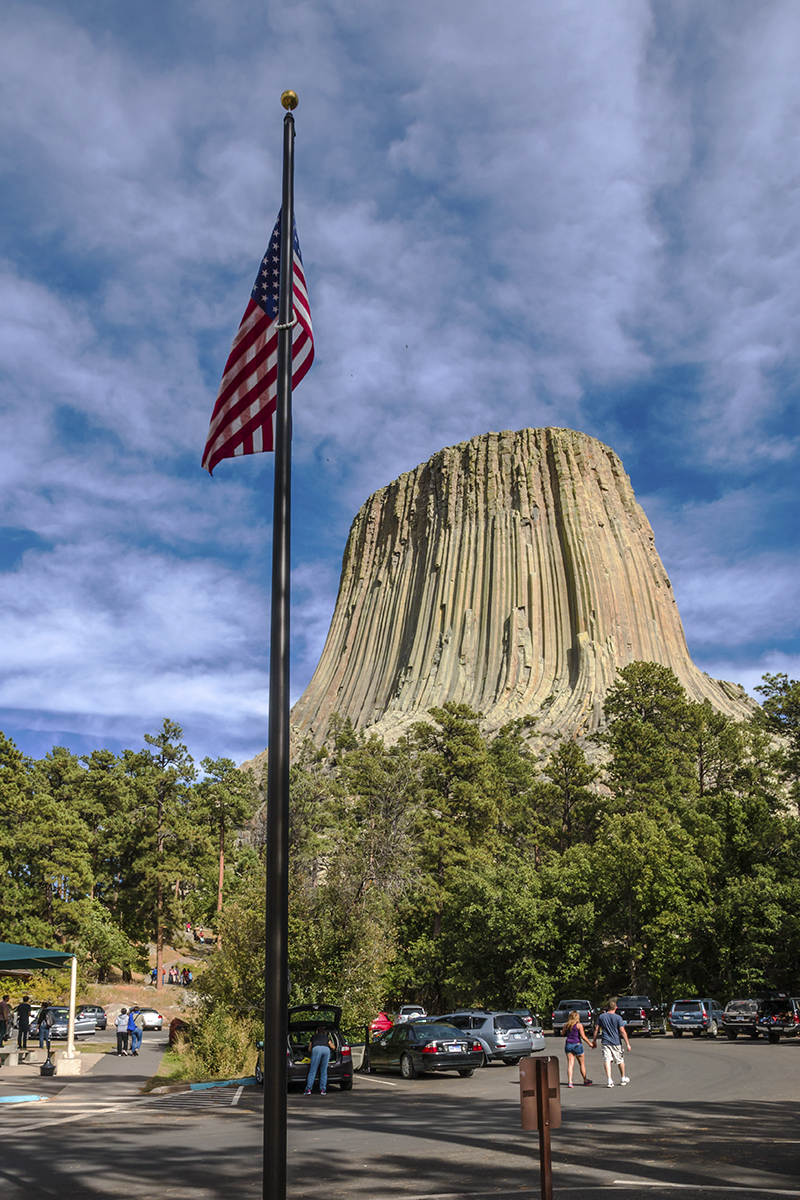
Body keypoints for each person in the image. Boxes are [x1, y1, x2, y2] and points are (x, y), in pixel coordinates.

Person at [592, 997, 631, 1088]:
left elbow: (597, 1029)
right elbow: (622, 1031)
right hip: (616, 1042)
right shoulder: (618, 1018)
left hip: (606, 1041)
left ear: (607, 1007)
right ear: (615, 1008)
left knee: (607, 1060)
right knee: (620, 1060)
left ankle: (609, 1079)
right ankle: (622, 1078)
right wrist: (627, 1043)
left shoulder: (602, 1017)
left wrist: (594, 1041)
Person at [563, 1009, 593, 1087]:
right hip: (577, 1044)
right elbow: (583, 1036)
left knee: (570, 1064)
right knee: (582, 1064)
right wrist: (590, 1043)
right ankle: (585, 1080)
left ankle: (570, 1081)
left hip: (569, 1044)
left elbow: (562, 1033)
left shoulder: (566, 1025)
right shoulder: (579, 1025)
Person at [304, 1025, 335, 1095]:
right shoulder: (326, 1037)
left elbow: (309, 1049)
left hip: (316, 1049)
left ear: (317, 1031)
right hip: (326, 1050)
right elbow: (333, 1047)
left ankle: (308, 1089)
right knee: (323, 1071)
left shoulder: (313, 1037)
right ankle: (323, 1090)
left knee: (313, 1070)